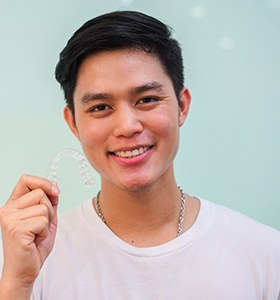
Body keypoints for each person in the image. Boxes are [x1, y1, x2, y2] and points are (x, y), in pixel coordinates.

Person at [0, 10, 279, 300]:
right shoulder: (30, 260)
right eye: (100, 107)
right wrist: (17, 285)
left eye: (146, 100)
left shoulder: (265, 255)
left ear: (182, 106)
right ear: (73, 123)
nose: (127, 126)